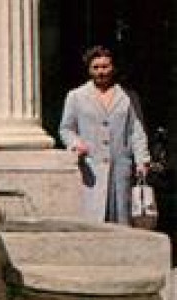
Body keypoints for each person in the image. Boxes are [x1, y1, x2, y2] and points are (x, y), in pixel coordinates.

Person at [58, 46, 152, 225]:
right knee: (93, 221)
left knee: (121, 222)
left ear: (113, 68)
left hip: (120, 169)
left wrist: (142, 160)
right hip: (91, 170)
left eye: (105, 66)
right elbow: (66, 129)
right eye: (96, 67)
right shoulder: (76, 96)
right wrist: (76, 144)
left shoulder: (128, 97)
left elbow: (136, 132)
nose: (101, 72)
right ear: (89, 69)